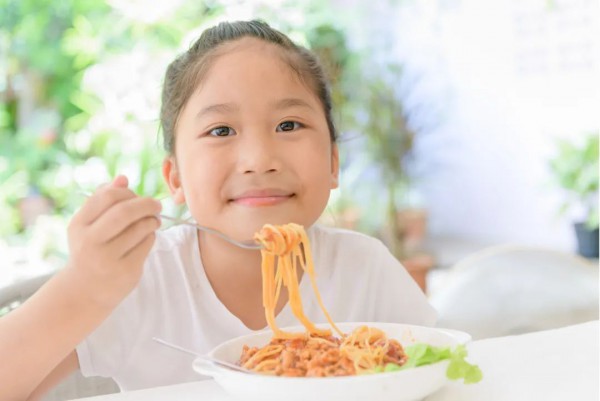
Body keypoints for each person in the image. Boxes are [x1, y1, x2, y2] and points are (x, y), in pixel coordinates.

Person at [0, 20, 436, 400]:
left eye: (289, 125)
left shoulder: (366, 270)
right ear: (175, 178)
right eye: (220, 129)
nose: (258, 159)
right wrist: (85, 287)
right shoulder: (142, 280)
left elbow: (447, 375)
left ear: (333, 162)